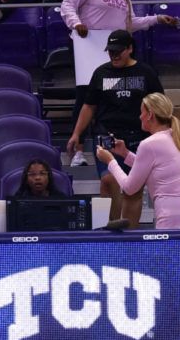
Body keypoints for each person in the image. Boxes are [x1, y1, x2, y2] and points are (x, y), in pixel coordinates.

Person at [60, 0, 179, 132]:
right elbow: (68, 5)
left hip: (117, 49)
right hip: (90, 46)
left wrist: (156, 19)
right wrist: (76, 23)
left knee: (116, 97)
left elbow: (129, 23)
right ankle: (78, 148)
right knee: (86, 97)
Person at [68, 29, 164, 224]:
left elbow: (160, 105)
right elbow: (89, 106)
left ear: (130, 48)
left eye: (118, 50)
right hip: (106, 136)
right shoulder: (101, 73)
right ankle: (112, 228)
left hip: (138, 137)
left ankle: (130, 235)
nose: (114, 55)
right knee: (108, 180)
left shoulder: (146, 73)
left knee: (133, 190)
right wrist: (76, 133)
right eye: (110, 51)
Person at [96, 93, 180, 230]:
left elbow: (129, 188)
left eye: (142, 112)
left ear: (150, 115)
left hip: (172, 220)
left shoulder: (149, 144)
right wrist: (125, 154)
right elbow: (157, 168)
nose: (139, 116)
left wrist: (110, 161)